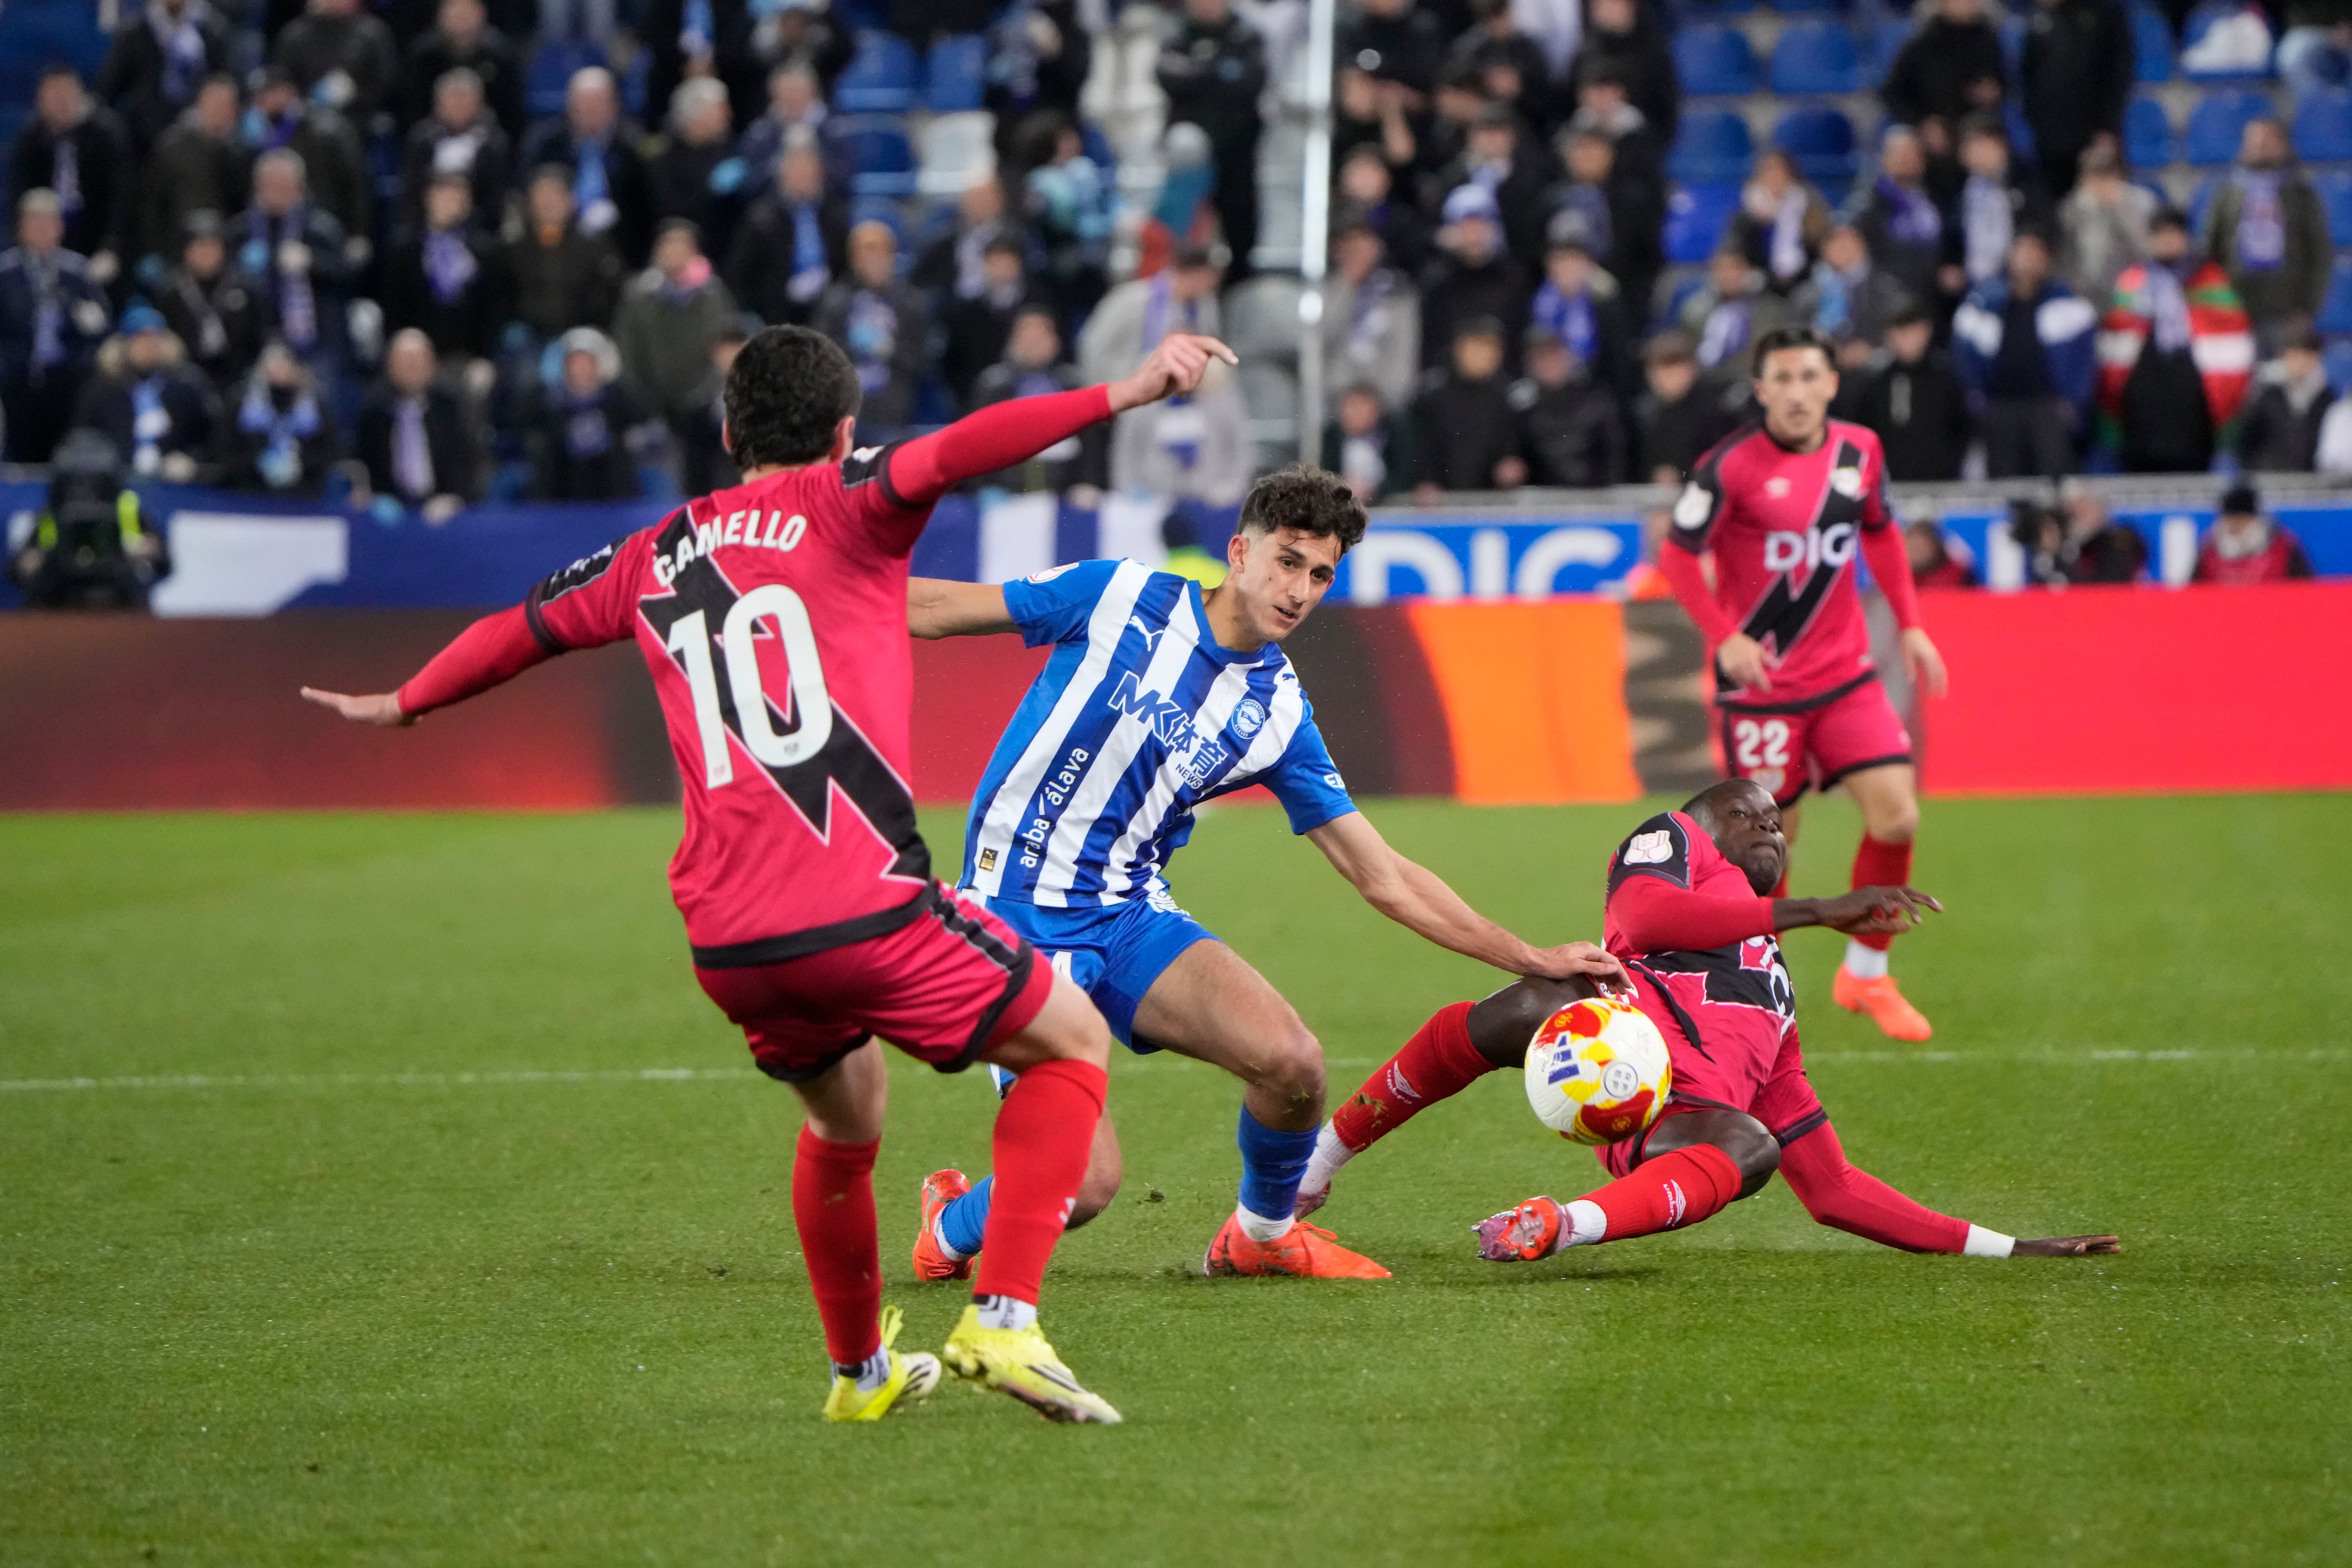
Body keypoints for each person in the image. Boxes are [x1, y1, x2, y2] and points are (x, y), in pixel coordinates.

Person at [304, 324, 1245, 1427]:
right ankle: (1003, 1318)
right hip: (862, 908)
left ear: (724, 432)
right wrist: (1124, 392)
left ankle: (858, 1376)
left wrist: (406, 699)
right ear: (845, 433)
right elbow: (962, 449)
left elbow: (521, 630)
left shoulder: (653, 550)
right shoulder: (855, 503)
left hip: (730, 945)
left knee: (848, 1122)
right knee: (1073, 1042)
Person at [899, 465, 1624, 1286]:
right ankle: (951, 1226)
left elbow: (1380, 871)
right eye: (1286, 561)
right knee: (1087, 1180)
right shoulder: (1118, 596)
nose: (1300, 589)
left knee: (1294, 1065)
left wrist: (1528, 956)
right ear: (1239, 553)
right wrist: (808, 594)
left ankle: (1260, 1232)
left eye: (1320, 574)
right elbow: (936, 608)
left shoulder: (1278, 712)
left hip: (1129, 913)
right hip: (1012, 919)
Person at [1294, 782, 2122, 1270]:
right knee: (1541, 993)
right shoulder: (1670, 840)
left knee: (1756, 1145)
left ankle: (1559, 1223)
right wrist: (1819, 908)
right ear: (1704, 820)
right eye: (1744, 811)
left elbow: (1832, 1191)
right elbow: (1649, 916)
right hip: (1599, 1040)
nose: (1765, 821)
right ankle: (1315, 1164)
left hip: (1672, 1131)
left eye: (1774, 818)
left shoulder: (1776, 997)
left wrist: (2010, 1248)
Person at [1658, 326, 1950, 1041]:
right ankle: (1766, 991)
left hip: (1847, 676)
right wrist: (1725, 637)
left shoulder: (1861, 451)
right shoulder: (1728, 466)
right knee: (1769, 849)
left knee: (1899, 816)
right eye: (1781, 379)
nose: (1795, 392)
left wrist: (1910, 624)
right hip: (1763, 688)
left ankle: (1867, 974)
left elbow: (1880, 531)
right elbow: (1676, 554)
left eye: (1808, 377)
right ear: (1761, 391)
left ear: (1831, 384)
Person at [2094, 209, 2254, 474]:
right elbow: (2115, 339)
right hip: (2145, 393)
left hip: (2193, 394)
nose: (2167, 241)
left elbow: (2232, 341)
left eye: (2173, 234)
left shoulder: (2211, 281)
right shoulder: (2133, 282)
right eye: (2160, 235)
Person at [1953, 230, 2097, 478]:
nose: (2030, 259)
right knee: (2004, 480)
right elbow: (1965, 359)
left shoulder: (2069, 304)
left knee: (2053, 481)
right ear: (2010, 257)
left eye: (2037, 253)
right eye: (2024, 252)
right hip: (2000, 408)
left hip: (2049, 409)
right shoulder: (1982, 303)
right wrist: (1977, 402)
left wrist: (2073, 404)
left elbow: (2084, 361)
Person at [1155, 0, 1266, 279]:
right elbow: (1169, 78)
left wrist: (1199, 72)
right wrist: (1218, 70)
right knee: (1185, 144)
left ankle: (1236, 289)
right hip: (1191, 162)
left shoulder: (1247, 35)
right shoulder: (1176, 34)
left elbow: (1250, 83)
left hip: (1236, 150)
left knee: (1239, 229)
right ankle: (1172, 272)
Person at [2202, 119, 2334, 355]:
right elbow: (2211, 249)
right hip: (2236, 306)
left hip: (2287, 309)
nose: (2261, 146)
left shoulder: (2302, 194)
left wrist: (2308, 306)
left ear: (2283, 145)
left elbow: (2320, 253)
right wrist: (2217, 300)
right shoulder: (2228, 193)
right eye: (2255, 140)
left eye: (2268, 140)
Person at [0, 191, 113, 463]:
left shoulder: (78, 273)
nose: (41, 230)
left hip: (68, 382)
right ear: (20, 228)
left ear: (60, 228)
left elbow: (101, 328)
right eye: (34, 223)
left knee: (65, 456)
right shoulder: (5, 274)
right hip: (16, 381)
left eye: (48, 223)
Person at [9, 430, 169, 610]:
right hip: (61, 595)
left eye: (94, 483)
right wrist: (31, 561)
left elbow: (164, 563)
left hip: (117, 593)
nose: (84, 492)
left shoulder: (127, 507)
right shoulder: (54, 512)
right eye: (76, 483)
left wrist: (149, 551)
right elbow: (18, 567)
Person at [612, 218, 740, 440]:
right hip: (653, 405)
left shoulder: (714, 296)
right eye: (667, 245)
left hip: (705, 404)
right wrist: (643, 401)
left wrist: (706, 394)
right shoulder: (637, 297)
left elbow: (727, 349)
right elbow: (627, 352)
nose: (674, 253)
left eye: (682, 246)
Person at [967, 304, 1110, 500]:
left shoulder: (1074, 385)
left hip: (1066, 494)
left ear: (1055, 342)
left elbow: (1091, 443)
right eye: (1026, 336)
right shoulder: (993, 386)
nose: (1033, 343)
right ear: (1013, 341)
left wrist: (1090, 484)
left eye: (1041, 336)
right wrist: (984, 487)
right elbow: (974, 444)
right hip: (1007, 494)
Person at [518, 67, 655, 265]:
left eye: (598, 103)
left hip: (621, 246)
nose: (590, 110)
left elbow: (646, 205)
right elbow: (526, 191)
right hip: (554, 248)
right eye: (583, 103)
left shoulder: (633, 147)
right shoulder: (546, 144)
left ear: (614, 105)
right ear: (570, 105)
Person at [9, 67, 134, 285]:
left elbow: (121, 196)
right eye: (54, 99)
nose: (61, 105)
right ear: (41, 102)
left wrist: (111, 248)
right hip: (46, 242)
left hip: (96, 236)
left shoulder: (106, 134)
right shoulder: (30, 141)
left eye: (66, 97)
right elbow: (20, 197)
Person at [237, 148, 353, 380]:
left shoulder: (322, 229)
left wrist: (312, 261)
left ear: (300, 187)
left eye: (285, 185)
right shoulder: (241, 232)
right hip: (257, 341)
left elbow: (348, 276)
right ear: (258, 188)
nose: (278, 192)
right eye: (271, 185)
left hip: (315, 342)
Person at [72, 301, 220, 481]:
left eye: (155, 339)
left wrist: (191, 460)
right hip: (117, 480)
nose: (148, 347)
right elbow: (83, 437)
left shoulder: (187, 386)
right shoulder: (103, 389)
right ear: (124, 345)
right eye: (140, 340)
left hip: (175, 484)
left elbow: (211, 437)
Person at [381, 172, 508, 364]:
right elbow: (393, 306)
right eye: (446, 196)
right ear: (429, 198)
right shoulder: (406, 248)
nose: (453, 203)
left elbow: (494, 309)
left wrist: (485, 359)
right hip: (414, 357)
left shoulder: (484, 251)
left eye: (460, 197)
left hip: (466, 358)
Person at [812, 220, 928, 430]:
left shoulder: (911, 304)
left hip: (894, 403)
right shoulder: (836, 302)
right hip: (846, 401)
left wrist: (889, 350)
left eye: (881, 257)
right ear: (855, 262)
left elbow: (921, 362)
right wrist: (852, 347)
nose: (875, 264)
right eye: (867, 258)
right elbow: (821, 356)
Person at [357, 328, 483, 520]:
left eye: (419, 359)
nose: (413, 366)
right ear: (390, 365)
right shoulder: (375, 413)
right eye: (405, 360)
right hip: (391, 515)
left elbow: (470, 462)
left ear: (432, 364)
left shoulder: (451, 409)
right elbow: (362, 464)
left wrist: (455, 499)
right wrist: (371, 496)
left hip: (446, 512)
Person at [1837, 302, 1971, 482]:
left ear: (1926, 331)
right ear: (1889, 336)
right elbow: (1862, 430)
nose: (1907, 339)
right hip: (1887, 483)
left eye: (1913, 331)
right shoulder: (1875, 383)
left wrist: (1952, 468)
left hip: (1939, 484)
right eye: (1900, 332)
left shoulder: (1946, 378)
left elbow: (1963, 429)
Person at [241, 68, 370, 250]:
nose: (267, 101)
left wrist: (358, 232)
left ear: (290, 93)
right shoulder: (259, 135)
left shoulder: (324, 130)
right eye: (262, 95)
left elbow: (351, 182)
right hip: (273, 225)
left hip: (324, 221)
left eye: (272, 93)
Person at [524, 326, 657, 500]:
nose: (581, 369)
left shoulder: (622, 397)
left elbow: (650, 430)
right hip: (560, 493)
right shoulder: (546, 402)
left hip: (614, 492)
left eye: (587, 362)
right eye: (575, 362)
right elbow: (529, 434)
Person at [723, 142, 844, 329]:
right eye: (797, 173)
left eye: (809, 174)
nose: (804, 179)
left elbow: (845, 265)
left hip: (826, 312)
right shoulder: (761, 219)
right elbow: (741, 273)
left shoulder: (835, 216)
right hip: (775, 316)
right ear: (783, 177)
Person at [2020, 0, 2135, 196]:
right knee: (2054, 200)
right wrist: (2033, 119)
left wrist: (2108, 126)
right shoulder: (2041, 16)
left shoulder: (2107, 12)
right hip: (2049, 136)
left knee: (2097, 198)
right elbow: (2028, 73)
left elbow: (2118, 74)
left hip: (2092, 133)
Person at [1417, 184, 1533, 374]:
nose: (1474, 235)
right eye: (1467, 227)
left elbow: (1519, 339)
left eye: (1481, 226)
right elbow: (1428, 344)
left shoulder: (1514, 280)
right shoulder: (1436, 283)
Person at [96, 0, 234, 156]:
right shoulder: (133, 36)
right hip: (144, 145)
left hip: (199, 147)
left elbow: (225, 85)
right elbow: (108, 93)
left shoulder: (210, 34)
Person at [506, 166, 624, 343]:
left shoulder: (594, 247)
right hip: (530, 334)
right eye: (540, 195)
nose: (547, 202)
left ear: (571, 201)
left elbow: (608, 298)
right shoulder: (514, 248)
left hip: (580, 333)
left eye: (555, 194)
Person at [138, 73, 246, 263]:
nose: (221, 110)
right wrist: (158, 248)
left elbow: (241, 204)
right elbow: (154, 203)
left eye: (227, 105)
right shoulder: (172, 146)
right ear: (200, 103)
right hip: (177, 247)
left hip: (224, 250)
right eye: (216, 103)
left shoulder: (241, 150)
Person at [1414, 316, 1522, 494]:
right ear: (1460, 349)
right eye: (1478, 348)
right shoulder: (1433, 394)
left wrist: (1510, 465)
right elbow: (1423, 447)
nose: (1486, 356)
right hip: (1439, 501)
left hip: (1490, 500)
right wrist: (1426, 480)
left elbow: (1511, 446)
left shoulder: (1506, 397)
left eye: (1492, 349)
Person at [1323, 217, 1421, 413]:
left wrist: (1384, 402)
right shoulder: (1325, 293)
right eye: (1353, 248)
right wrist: (1346, 287)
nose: (1360, 255)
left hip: (1385, 406)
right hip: (1333, 403)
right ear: (1339, 250)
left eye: (1367, 248)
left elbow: (1404, 353)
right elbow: (1320, 343)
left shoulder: (1398, 294)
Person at [398, 66, 512, 231]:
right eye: (453, 99)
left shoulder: (494, 143)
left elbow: (495, 196)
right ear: (439, 104)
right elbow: (412, 188)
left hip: (477, 228)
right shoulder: (422, 139)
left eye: (465, 100)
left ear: (479, 104)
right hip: (426, 226)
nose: (458, 106)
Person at [1882, 0, 2008, 149]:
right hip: (1935, 130)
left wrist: (1993, 93)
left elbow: (2003, 83)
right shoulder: (1921, 44)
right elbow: (1892, 92)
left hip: (1978, 128)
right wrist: (1923, 122)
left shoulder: (1988, 40)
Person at [156, 210, 261, 387]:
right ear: (186, 251)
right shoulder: (170, 291)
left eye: (212, 246)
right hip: (186, 372)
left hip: (238, 371)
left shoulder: (244, 286)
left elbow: (260, 330)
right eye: (200, 246)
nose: (207, 253)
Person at [1512, 324, 1625, 487]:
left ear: (1567, 357)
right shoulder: (1522, 408)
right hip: (1542, 499)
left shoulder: (1596, 399)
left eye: (1554, 355)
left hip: (1594, 496)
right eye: (1541, 357)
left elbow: (1614, 454)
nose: (1549, 363)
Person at [1790, 224, 1914, 369]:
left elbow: (1907, 329)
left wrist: (1871, 352)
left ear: (1862, 245)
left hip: (1873, 372)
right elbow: (1794, 330)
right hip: (1819, 369)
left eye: (1847, 242)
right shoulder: (1806, 293)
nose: (1840, 249)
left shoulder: (1886, 289)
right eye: (1833, 242)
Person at [650, 78, 747, 260]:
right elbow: (669, 210)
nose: (728, 115)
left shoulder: (731, 151)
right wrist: (709, 192)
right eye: (721, 109)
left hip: (729, 251)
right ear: (696, 114)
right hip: (687, 254)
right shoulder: (666, 160)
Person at [228, 340, 339, 493]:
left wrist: (303, 463)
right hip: (252, 491)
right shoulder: (241, 405)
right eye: (272, 365)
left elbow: (329, 450)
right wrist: (254, 464)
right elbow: (228, 447)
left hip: (306, 493)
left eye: (283, 364)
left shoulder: (316, 406)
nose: (278, 371)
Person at [1853, 127, 1944, 311]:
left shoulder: (1935, 197)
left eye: (1913, 155)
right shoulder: (1869, 202)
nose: (1907, 160)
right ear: (1885, 159)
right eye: (1900, 154)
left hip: (1932, 296)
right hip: (1887, 299)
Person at [402, 0, 524, 137]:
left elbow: (510, 108)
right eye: (456, 15)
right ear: (440, 17)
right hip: (433, 131)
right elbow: (412, 104)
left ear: (482, 16)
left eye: (466, 15)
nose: (461, 22)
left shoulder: (500, 55)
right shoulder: (424, 56)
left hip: (489, 130)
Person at [2058, 143, 2158, 307]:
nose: (2099, 184)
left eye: (2105, 175)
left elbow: (2147, 253)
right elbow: (2066, 258)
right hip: (2084, 293)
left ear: (2118, 175)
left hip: (2132, 291)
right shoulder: (2072, 208)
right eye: (2093, 176)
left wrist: (2120, 210)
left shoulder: (2142, 202)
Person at [941, 236, 1034, 410]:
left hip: (1027, 395)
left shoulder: (1037, 303)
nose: (1001, 268)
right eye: (995, 261)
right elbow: (953, 362)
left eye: (1007, 261)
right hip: (976, 398)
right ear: (985, 264)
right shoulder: (965, 311)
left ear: (1018, 264)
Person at [1632, 330, 1736, 483]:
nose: (1667, 377)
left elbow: (1722, 465)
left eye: (1675, 367)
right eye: (1661, 368)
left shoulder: (1715, 413)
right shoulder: (1643, 414)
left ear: (1693, 369)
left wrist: (1682, 474)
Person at [272, 0, 402, 123]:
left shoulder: (373, 33)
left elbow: (386, 80)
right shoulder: (294, 34)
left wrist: (354, 92)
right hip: (304, 118)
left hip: (360, 117)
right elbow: (284, 81)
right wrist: (306, 102)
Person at [1727, 151, 1832, 297]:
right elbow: (1735, 252)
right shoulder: (1745, 215)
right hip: (1760, 286)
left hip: (1807, 282)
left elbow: (1822, 245)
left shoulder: (1811, 207)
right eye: (1768, 173)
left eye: (1780, 172)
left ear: (1791, 176)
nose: (1775, 179)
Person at [2239, 326, 2336, 472]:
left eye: (2307, 356)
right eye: (2295, 356)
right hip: (2268, 479)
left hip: (2312, 483)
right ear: (2285, 356)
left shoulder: (2327, 398)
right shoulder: (2266, 394)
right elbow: (2248, 440)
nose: (2300, 363)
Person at [2193, 482, 2316, 583]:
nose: (2233, 526)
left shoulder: (2282, 546)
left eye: (2240, 520)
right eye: (2228, 519)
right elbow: (2194, 590)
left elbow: (2305, 587)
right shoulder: (2209, 548)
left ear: (2253, 518)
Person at [1322, 380, 1417, 502]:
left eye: (1362, 407)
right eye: (1352, 407)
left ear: (1377, 411)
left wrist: (1375, 490)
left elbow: (1404, 476)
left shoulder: (1396, 434)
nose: (1356, 414)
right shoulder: (1332, 436)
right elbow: (1326, 473)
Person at [1906, 518, 1979, 587]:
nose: (1916, 553)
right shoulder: (1901, 578)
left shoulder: (1958, 574)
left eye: (1921, 547)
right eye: (1912, 547)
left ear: (1936, 546)